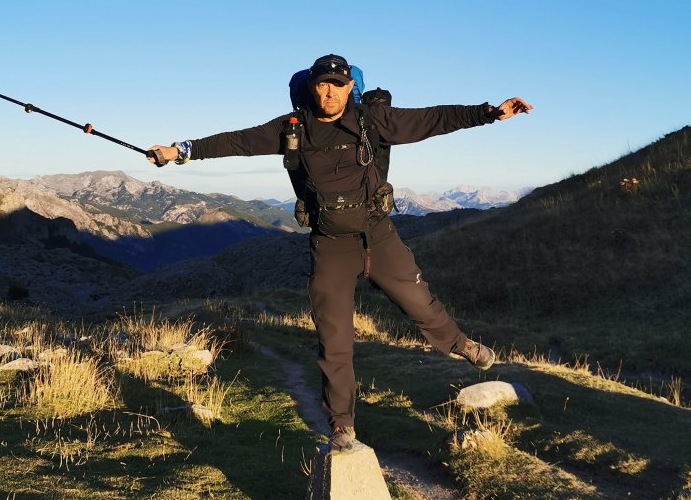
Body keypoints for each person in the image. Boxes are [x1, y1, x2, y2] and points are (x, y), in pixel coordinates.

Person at [150, 54, 533, 451]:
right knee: (334, 338)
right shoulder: (292, 128)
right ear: (311, 88)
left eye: (337, 84)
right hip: (330, 245)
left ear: (351, 87)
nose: (329, 92)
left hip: (378, 236)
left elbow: (432, 119)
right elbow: (236, 141)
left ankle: (460, 345)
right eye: (322, 84)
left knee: (420, 303)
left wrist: (489, 113)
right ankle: (342, 426)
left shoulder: (373, 120)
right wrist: (180, 151)